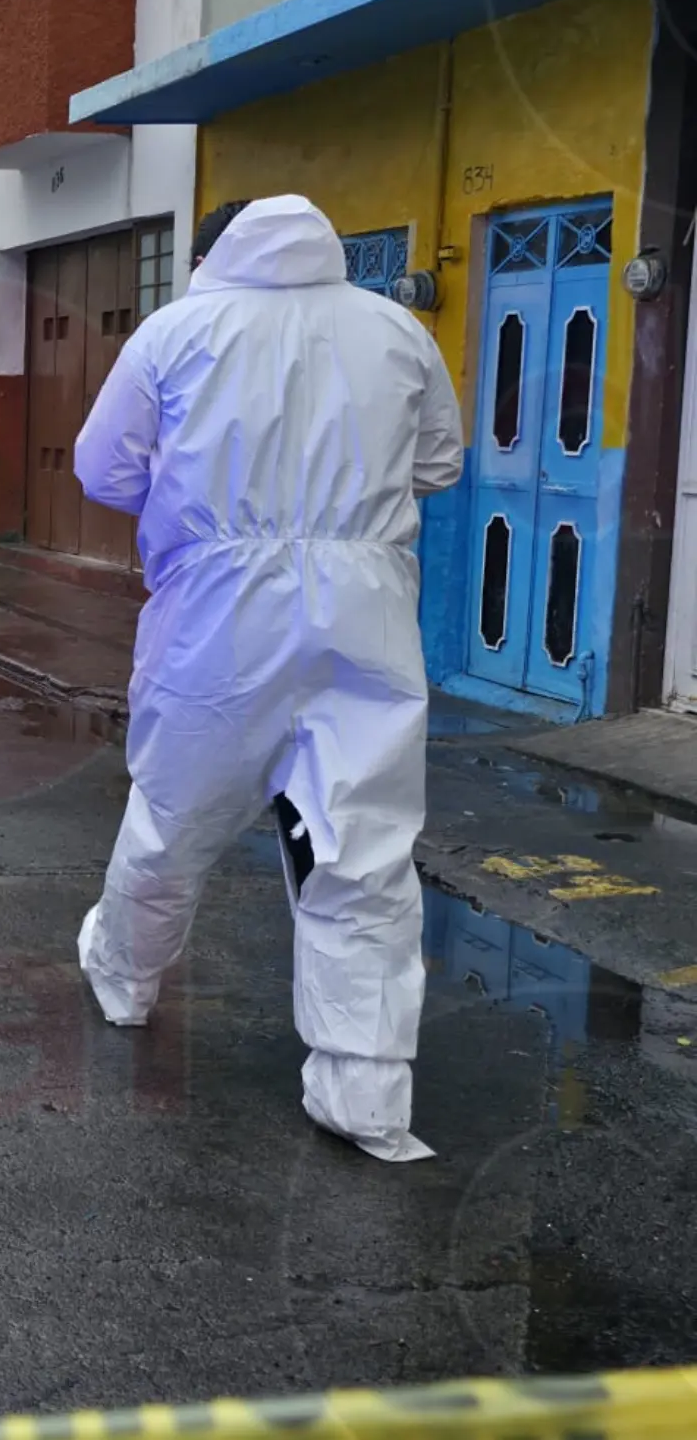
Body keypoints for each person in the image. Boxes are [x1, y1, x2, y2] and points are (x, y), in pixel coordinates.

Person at [72, 195, 464, 1163]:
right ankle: (363, 1089)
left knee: (171, 816)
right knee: (359, 848)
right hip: (363, 606)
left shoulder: (173, 332)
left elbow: (99, 470)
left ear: (210, 251)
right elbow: (440, 464)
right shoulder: (395, 330)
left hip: (213, 607)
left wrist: (195, 490)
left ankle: (124, 981)